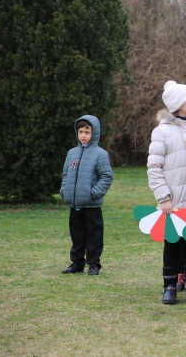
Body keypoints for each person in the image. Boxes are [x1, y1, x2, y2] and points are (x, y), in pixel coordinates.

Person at [147, 81, 186, 304]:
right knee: (172, 242)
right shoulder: (162, 131)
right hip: (174, 200)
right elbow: (154, 167)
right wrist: (164, 197)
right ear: (179, 103)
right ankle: (169, 285)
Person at [60, 116, 113, 276]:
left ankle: (94, 264)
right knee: (76, 234)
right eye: (80, 131)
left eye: (87, 132)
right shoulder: (72, 153)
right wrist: (64, 190)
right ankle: (77, 263)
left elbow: (106, 177)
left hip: (92, 205)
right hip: (74, 204)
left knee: (94, 235)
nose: (83, 135)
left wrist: (94, 193)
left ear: (94, 133)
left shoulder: (100, 154)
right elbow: (65, 174)